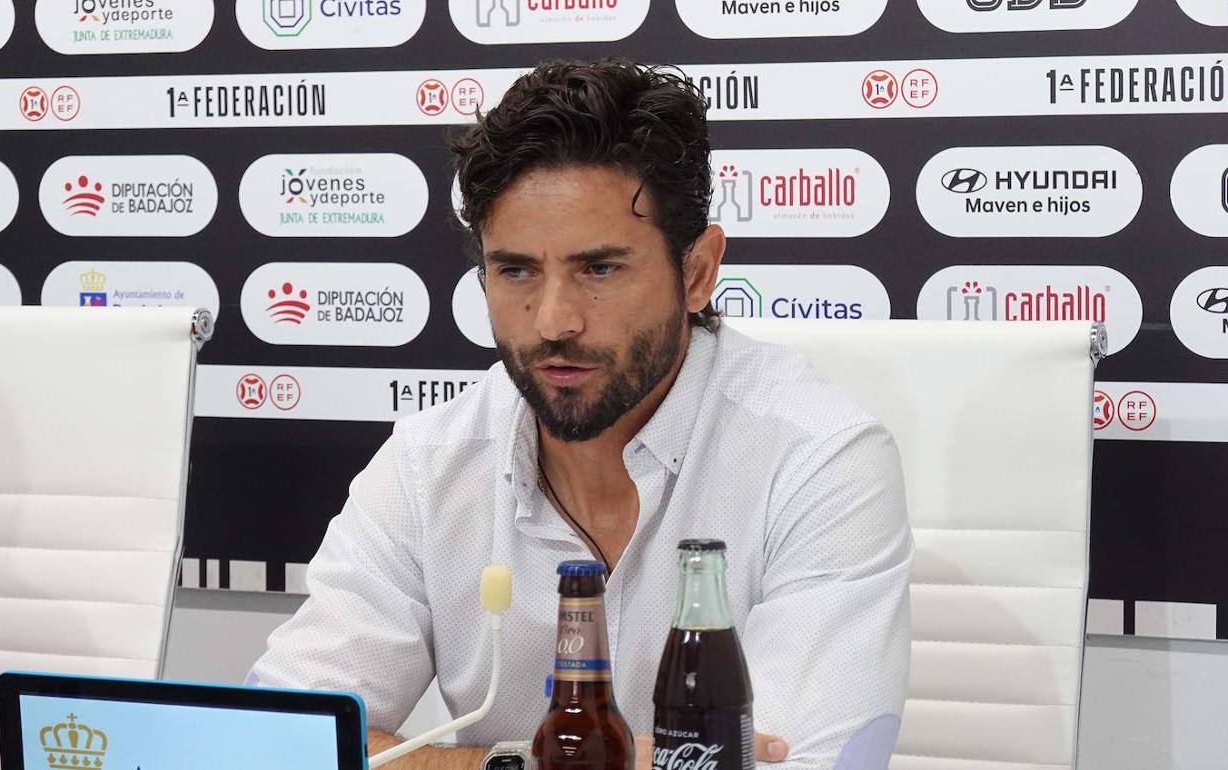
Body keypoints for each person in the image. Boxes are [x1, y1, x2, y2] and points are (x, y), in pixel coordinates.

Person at [249, 58, 913, 770]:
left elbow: (796, 763)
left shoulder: (819, 460)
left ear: (696, 272)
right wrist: (540, 765)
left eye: (599, 269)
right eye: (516, 271)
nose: (553, 321)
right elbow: (275, 743)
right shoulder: (427, 464)